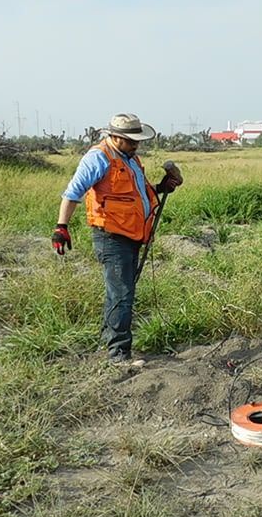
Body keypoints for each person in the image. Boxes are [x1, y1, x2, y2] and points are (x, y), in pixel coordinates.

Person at [52, 113, 183, 365]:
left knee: (121, 292)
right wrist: (61, 227)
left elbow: (138, 195)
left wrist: (161, 187)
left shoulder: (130, 159)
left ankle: (109, 339)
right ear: (115, 137)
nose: (136, 145)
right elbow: (73, 193)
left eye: (138, 141)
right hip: (111, 238)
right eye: (131, 141)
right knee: (122, 294)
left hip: (132, 235)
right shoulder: (98, 158)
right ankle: (118, 354)